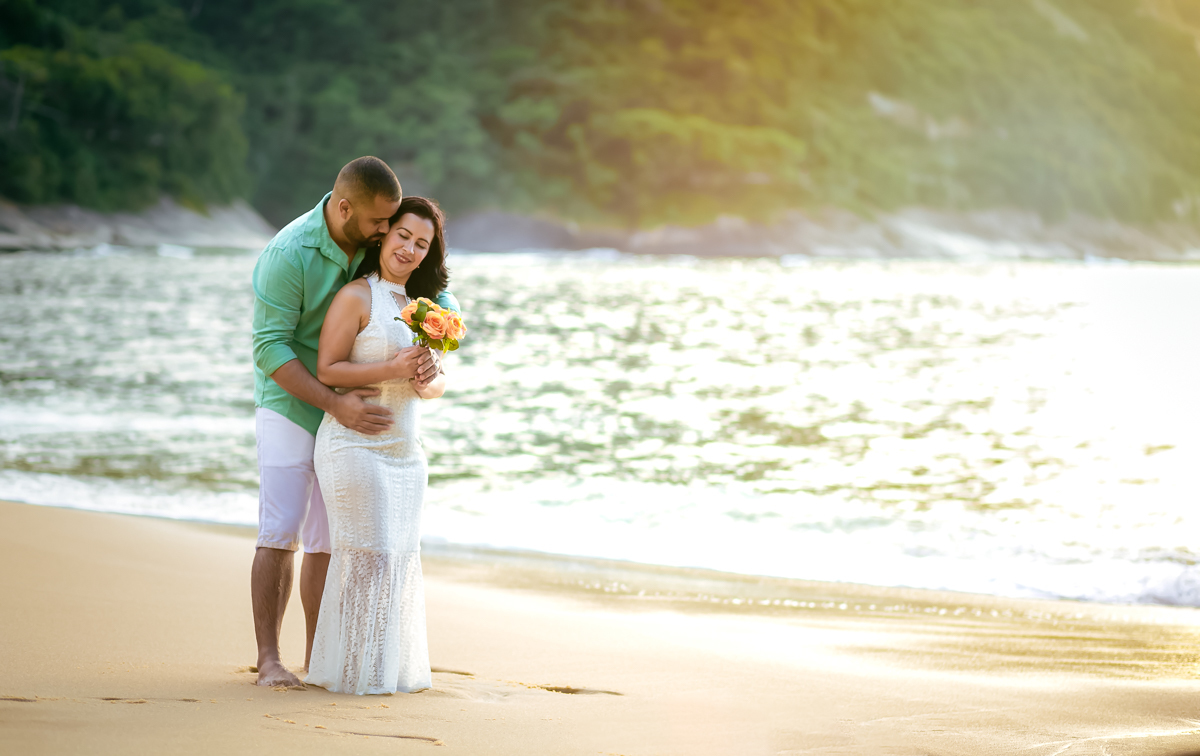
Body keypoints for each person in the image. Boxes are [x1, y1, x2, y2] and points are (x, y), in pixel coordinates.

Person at [250, 158, 457, 688]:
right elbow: (270, 346)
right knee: (280, 530)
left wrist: (439, 336)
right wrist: (335, 401)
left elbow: (432, 296)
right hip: (292, 401)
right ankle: (270, 659)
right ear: (346, 210)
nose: (390, 234)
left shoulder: (382, 241)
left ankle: (324, 657)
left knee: (327, 540)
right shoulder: (288, 252)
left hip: (371, 423)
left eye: (399, 228)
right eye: (382, 226)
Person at [305, 196, 451, 694]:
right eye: (403, 236)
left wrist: (430, 376)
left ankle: (379, 671)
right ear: (385, 235)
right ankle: (351, 675)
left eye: (421, 244)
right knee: (369, 557)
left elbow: (432, 387)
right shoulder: (357, 296)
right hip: (354, 446)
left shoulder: (423, 310)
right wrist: (391, 368)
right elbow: (328, 369)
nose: (409, 249)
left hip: (405, 454)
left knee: (395, 559)